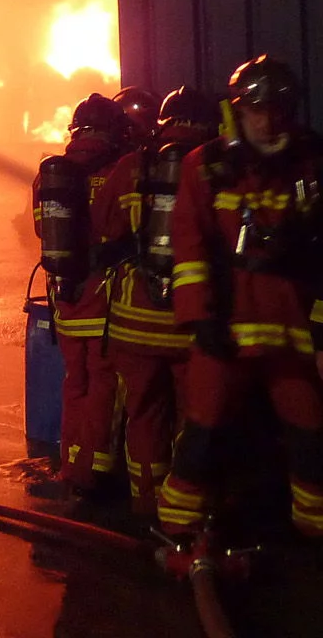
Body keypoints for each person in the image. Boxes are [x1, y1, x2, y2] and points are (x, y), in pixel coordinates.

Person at [158, 55, 323, 539]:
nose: (268, 121)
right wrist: (200, 319)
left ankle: (315, 527)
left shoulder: (309, 166)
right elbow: (189, 246)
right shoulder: (206, 167)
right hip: (226, 329)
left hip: (290, 330)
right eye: (257, 110)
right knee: (203, 432)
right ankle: (179, 529)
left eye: (277, 111)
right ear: (237, 110)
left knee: (311, 433)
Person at [91, 86, 219, 519]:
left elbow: (104, 228)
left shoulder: (132, 165)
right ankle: (185, 510)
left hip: (133, 320)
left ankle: (146, 503)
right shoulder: (213, 166)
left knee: (143, 414)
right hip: (190, 321)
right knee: (193, 416)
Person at [35, 92, 131, 496]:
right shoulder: (121, 169)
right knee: (106, 385)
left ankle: (72, 467)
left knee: (75, 382)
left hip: (67, 298)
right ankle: (97, 474)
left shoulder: (50, 174)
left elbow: (42, 229)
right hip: (107, 298)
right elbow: (130, 230)